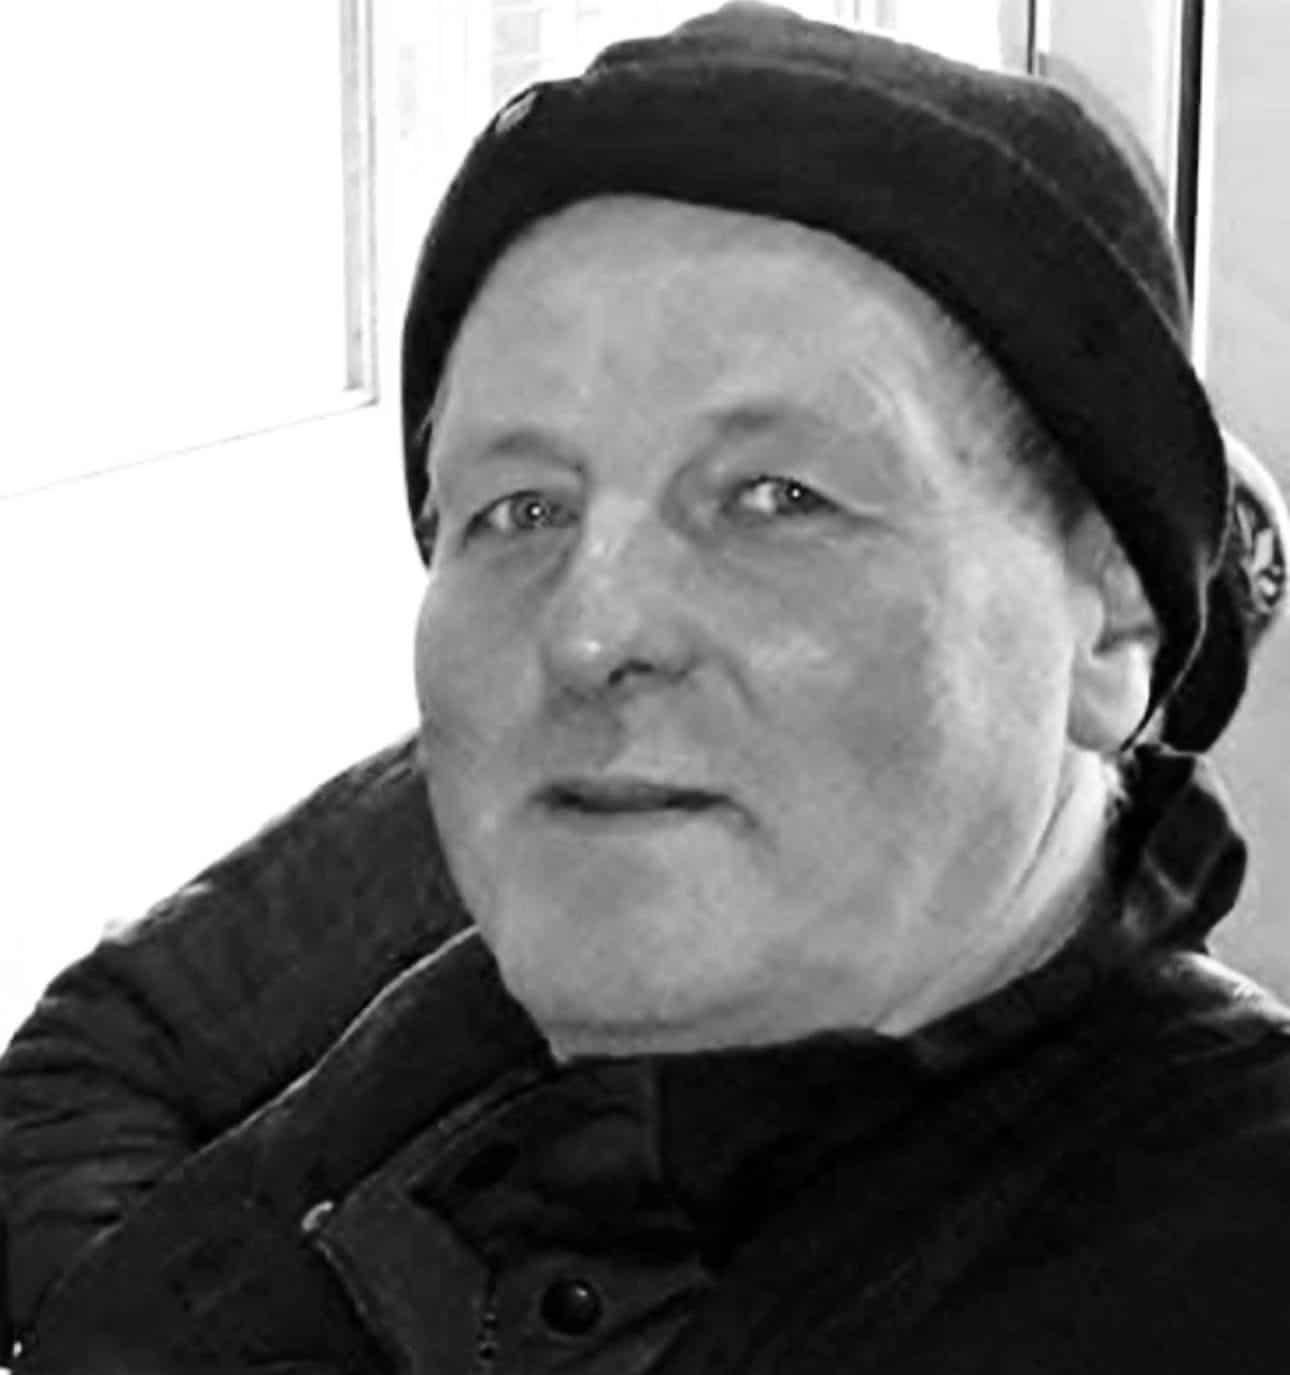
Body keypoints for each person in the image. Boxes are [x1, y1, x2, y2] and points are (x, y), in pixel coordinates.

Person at [4, 4, 1290, 1371]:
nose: (589, 629)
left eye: (775, 497)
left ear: (1111, 627)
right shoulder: (482, 1004)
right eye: (518, 509)